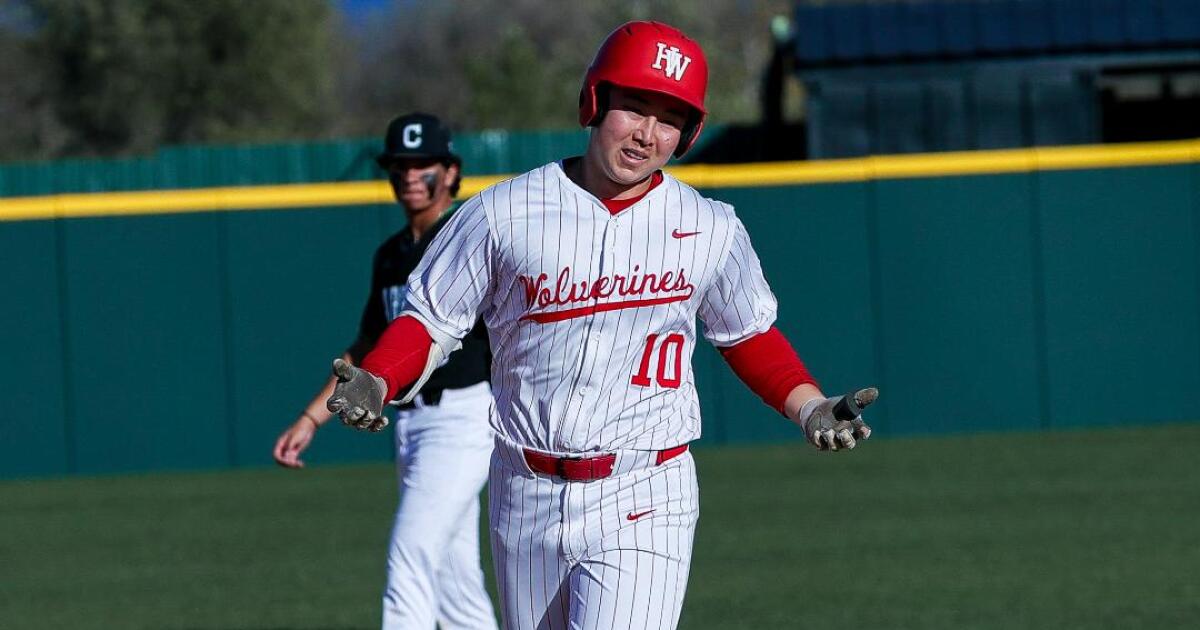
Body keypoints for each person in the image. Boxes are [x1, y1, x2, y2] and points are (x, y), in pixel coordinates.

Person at [326, 22, 875, 630]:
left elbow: (747, 334)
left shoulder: (709, 226)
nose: (647, 134)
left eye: (669, 119)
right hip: (524, 490)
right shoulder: (500, 214)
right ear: (594, 101)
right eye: (634, 108)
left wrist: (809, 405)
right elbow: (431, 320)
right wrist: (379, 377)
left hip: (646, 487)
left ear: (688, 133)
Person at [273, 112, 498, 630]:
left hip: (465, 417)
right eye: (400, 165)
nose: (410, 176)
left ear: (451, 171)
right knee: (455, 581)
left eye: (423, 165)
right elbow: (366, 349)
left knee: (410, 553)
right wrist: (310, 419)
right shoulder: (391, 255)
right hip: (411, 424)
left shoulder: (469, 238)